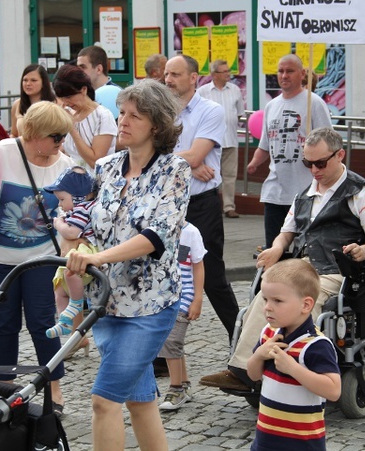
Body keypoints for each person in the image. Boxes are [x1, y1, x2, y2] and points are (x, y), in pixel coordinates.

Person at [201, 127, 365, 391]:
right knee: (268, 293)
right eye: (308, 163)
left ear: (340, 155)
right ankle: (243, 369)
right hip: (304, 266)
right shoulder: (305, 195)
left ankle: (296, 365)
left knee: (302, 300)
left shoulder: (360, 192)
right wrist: (276, 249)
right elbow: (285, 234)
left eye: (320, 163)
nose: (314, 170)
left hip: (338, 270)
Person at [63, 79, 191, 451]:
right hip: (106, 303)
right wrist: (69, 240)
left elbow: (156, 237)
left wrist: (96, 258)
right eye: (122, 113)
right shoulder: (104, 168)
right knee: (140, 402)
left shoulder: (174, 171)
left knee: (104, 401)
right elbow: (84, 224)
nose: (123, 121)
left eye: (135, 115)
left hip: (150, 307)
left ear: (157, 125)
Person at [0, 101, 76, 416]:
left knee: (43, 322)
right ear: (35, 133)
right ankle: (5, 390)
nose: (60, 144)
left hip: (41, 257)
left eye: (63, 137)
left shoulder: (64, 165)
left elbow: (73, 214)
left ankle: (54, 387)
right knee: (3, 323)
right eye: (55, 137)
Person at [165, 54, 239, 340]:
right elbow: (147, 153)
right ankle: (163, 353)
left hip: (201, 204)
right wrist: (190, 164)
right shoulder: (160, 111)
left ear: (193, 77)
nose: (169, 80)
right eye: (167, 75)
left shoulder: (210, 110)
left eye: (175, 74)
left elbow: (195, 154)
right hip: (168, 205)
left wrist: (190, 160)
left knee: (212, 276)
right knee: (165, 277)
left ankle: (242, 341)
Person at [247, 258, 341, 451]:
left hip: (303, 444)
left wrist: (293, 368)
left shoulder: (315, 345)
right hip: (265, 440)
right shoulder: (269, 332)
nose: (267, 307)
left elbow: (333, 390)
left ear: (306, 305)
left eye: (277, 301)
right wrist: (259, 356)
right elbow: (253, 375)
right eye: (265, 299)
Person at [247, 54, 332, 249]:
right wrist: (254, 163)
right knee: (275, 249)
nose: (284, 75)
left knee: (305, 252)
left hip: (306, 191)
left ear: (302, 74)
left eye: (290, 71)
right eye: (280, 71)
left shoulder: (314, 103)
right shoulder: (271, 106)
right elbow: (265, 145)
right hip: (275, 191)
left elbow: (330, 143)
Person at [44, 166, 97, 339]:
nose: (60, 204)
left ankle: (75, 303)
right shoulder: (77, 209)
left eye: (61, 199)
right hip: (78, 249)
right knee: (58, 285)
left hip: (88, 249)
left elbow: (72, 232)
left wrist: (57, 223)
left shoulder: (82, 208)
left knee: (70, 271)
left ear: (78, 197)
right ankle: (63, 322)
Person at [157, 221, 205, 412]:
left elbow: (198, 266)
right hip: (162, 297)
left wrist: (197, 299)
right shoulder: (155, 228)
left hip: (183, 296)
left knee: (172, 340)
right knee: (172, 342)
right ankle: (183, 383)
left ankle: (176, 388)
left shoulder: (191, 232)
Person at [198, 59, 245, 219]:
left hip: (230, 139)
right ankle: (211, 205)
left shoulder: (235, 90)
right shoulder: (203, 91)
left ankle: (229, 207)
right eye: (224, 71)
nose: (227, 74)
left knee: (230, 175)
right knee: (210, 174)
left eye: (228, 71)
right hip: (209, 143)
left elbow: (239, 113)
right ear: (214, 74)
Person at [53, 64, 117, 171]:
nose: (66, 102)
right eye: (62, 98)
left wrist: (73, 131)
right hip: (71, 178)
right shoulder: (70, 113)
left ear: (83, 90)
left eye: (69, 97)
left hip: (96, 181)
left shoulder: (102, 116)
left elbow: (96, 162)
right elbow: (63, 152)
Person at [10, 64, 56, 138]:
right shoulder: (17, 104)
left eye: (33, 80)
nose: (28, 84)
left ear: (43, 83)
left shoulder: (55, 103)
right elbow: (14, 134)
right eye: (25, 80)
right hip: (23, 148)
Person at [77, 45, 120, 114]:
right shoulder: (80, 94)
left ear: (99, 69)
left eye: (83, 67)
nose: (78, 71)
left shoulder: (119, 96)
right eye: (78, 68)